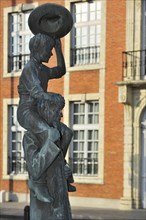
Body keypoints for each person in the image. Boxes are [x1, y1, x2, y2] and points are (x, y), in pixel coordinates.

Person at [23, 96, 76, 205]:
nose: (61, 114)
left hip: (59, 193)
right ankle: (37, 184)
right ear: (46, 110)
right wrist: (50, 142)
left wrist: (64, 171)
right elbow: (35, 169)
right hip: (45, 204)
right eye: (57, 110)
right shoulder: (31, 136)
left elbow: (59, 159)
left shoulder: (63, 132)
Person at [17, 33, 65, 143]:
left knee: (66, 133)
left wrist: (58, 49)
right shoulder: (29, 68)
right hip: (27, 112)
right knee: (51, 134)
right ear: (40, 49)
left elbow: (61, 70)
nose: (51, 53)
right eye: (49, 49)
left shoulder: (43, 70)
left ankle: (59, 161)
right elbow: (37, 93)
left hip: (42, 111)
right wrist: (55, 97)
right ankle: (39, 160)